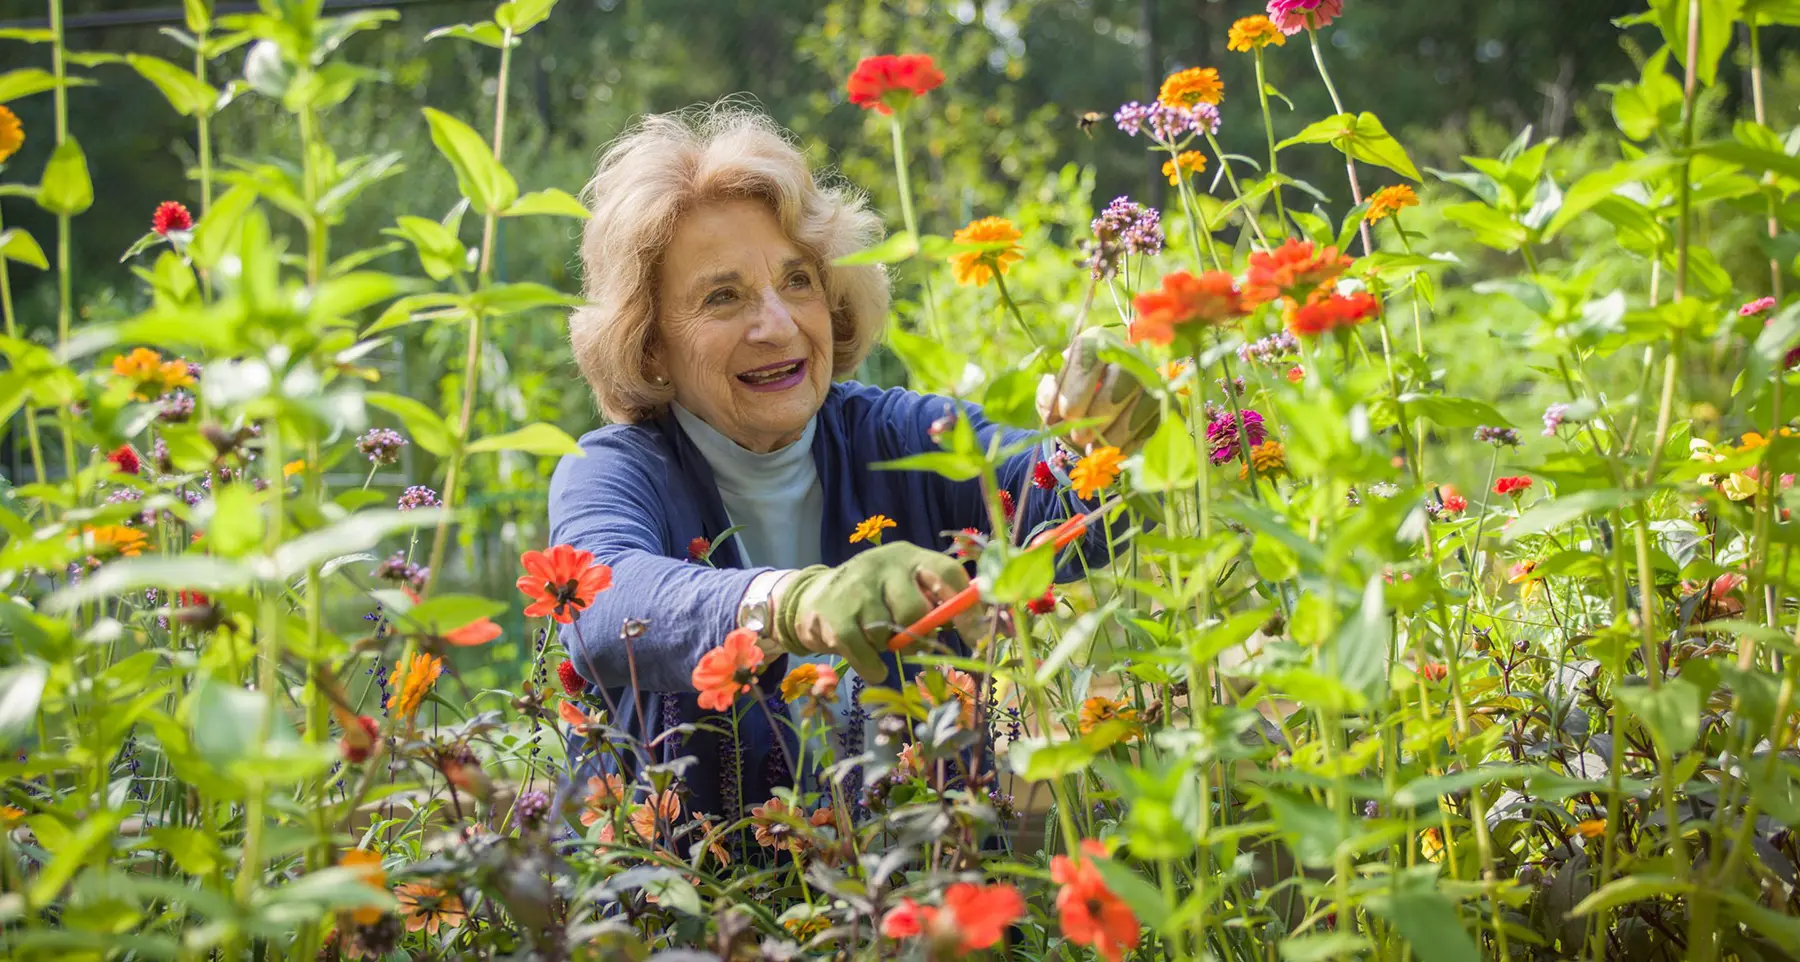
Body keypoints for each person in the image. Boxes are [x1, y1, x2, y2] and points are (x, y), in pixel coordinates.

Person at [550, 103, 1155, 820]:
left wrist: (1111, 439)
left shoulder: (903, 435)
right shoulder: (616, 472)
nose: (778, 325)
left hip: (927, 897)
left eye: (797, 280)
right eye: (723, 296)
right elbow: (601, 606)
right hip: (689, 912)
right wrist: (793, 604)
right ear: (650, 344)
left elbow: (1064, 508)